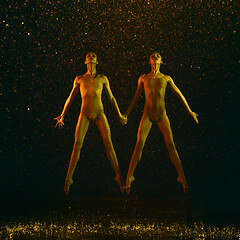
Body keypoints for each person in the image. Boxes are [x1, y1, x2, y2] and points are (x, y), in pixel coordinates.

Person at [124, 52, 199, 194]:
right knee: (139, 145)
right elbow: (135, 97)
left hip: (161, 115)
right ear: (149, 61)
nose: (155, 55)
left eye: (158, 55)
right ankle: (129, 176)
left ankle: (181, 176)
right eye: (153, 55)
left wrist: (190, 111)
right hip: (147, 115)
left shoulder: (166, 78)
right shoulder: (143, 78)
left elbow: (179, 94)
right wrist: (126, 114)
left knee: (171, 145)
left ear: (161, 61)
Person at [55, 52, 127, 195]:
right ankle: (68, 179)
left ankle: (119, 176)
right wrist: (62, 115)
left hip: (100, 113)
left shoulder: (102, 78)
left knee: (109, 144)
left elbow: (111, 98)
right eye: (89, 55)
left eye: (94, 56)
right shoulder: (80, 79)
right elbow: (71, 97)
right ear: (85, 61)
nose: (91, 56)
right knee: (77, 145)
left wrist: (119, 114)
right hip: (85, 114)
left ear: (97, 61)